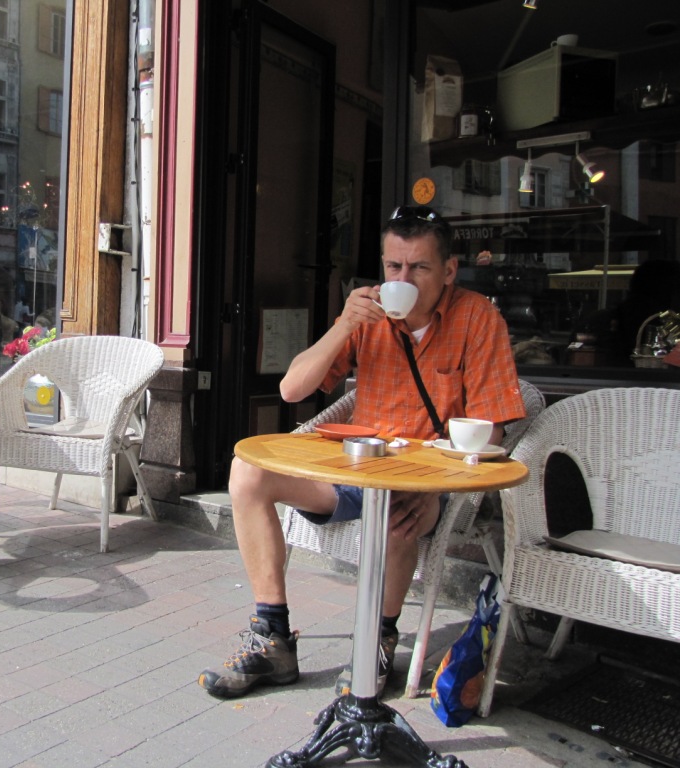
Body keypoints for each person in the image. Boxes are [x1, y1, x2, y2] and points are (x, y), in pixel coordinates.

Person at [197, 205, 527, 699]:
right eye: (394, 266)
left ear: (449, 271)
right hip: (355, 465)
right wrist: (343, 326)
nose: (402, 280)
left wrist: (437, 490)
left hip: (426, 481)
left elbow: (490, 430)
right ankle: (273, 639)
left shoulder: (478, 319)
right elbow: (291, 389)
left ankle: (379, 639)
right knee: (247, 473)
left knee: (395, 511)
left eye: (419, 268)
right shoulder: (367, 315)